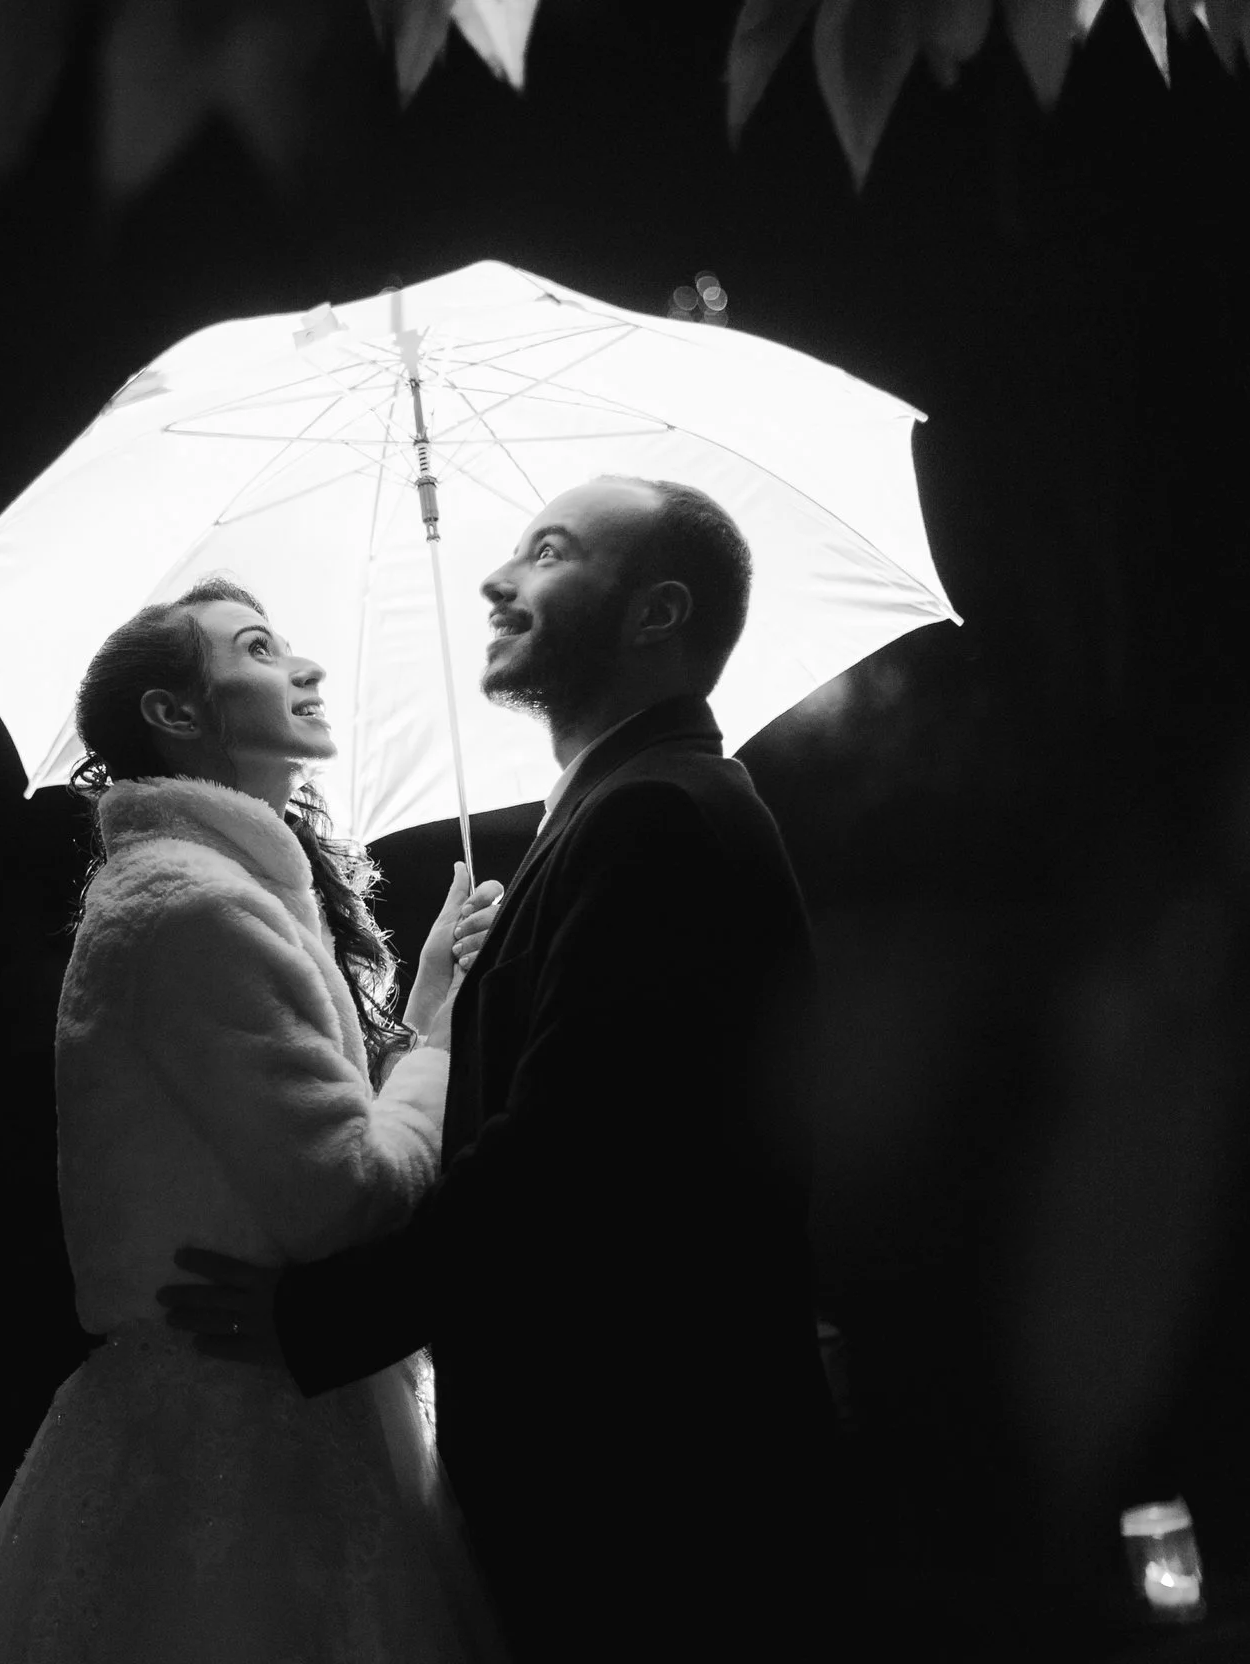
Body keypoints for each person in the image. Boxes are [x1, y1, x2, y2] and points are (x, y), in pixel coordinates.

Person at [160, 479, 836, 1657]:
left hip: (650, 1495)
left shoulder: (656, 818)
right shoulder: (613, 815)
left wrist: (322, 1318)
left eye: (549, 553)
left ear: (655, 612)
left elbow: (560, 1163)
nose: (494, 578)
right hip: (624, 1482)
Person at [0, 577, 510, 1663]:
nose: (306, 666)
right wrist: (438, 1044)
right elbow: (350, 1194)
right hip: (240, 1442)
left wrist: (428, 996)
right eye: (257, 648)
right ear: (175, 710)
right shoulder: (193, 907)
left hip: (263, 1402)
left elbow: (304, 1142)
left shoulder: (210, 891)